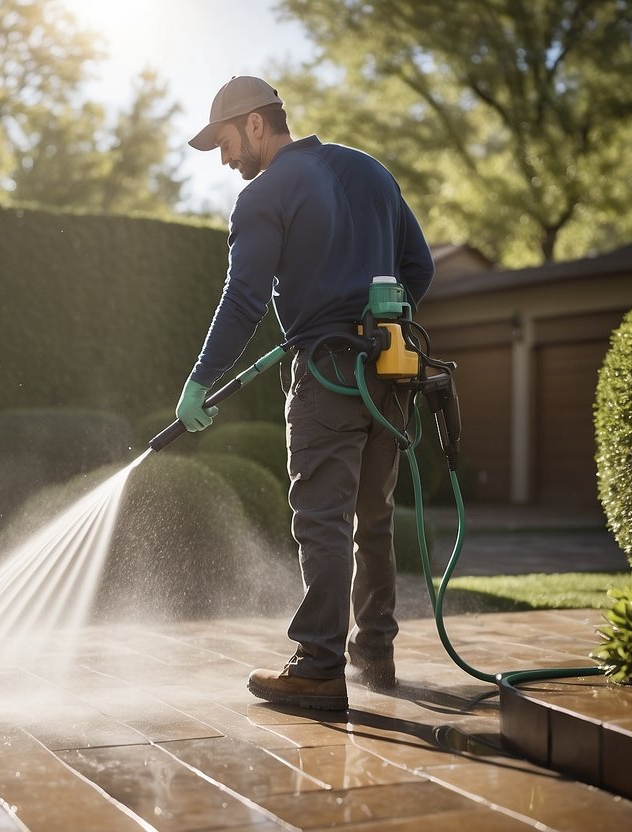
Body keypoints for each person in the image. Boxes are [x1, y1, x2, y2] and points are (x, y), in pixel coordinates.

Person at [177, 76, 434, 711]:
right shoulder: (370, 172)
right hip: (389, 374)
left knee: (323, 518)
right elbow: (420, 268)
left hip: (327, 377)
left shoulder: (265, 193)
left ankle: (318, 664)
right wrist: (381, 327)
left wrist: (201, 380)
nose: (226, 159)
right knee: (373, 517)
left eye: (227, 143)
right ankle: (374, 650)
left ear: (257, 125)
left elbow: (242, 299)